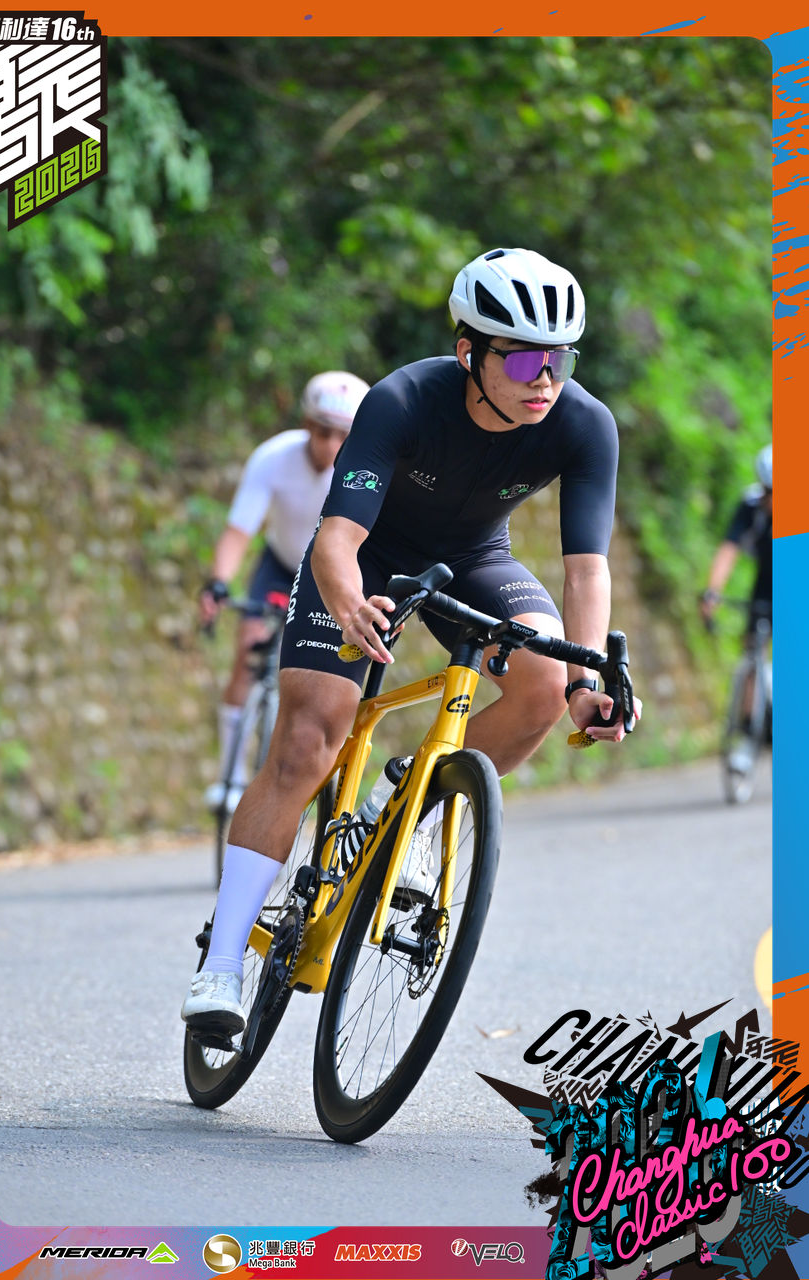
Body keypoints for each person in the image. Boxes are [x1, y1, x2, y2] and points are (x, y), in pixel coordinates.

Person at [182, 246, 642, 1036]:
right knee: (308, 737)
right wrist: (348, 604)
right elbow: (335, 538)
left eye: (559, 359)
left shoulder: (582, 423)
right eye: (523, 358)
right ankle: (221, 964)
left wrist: (585, 681)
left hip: (475, 560)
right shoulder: (402, 399)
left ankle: (413, 804)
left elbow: (585, 569)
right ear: (468, 352)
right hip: (366, 557)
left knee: (542, 683)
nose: (544, 378)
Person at [199, 371, 370, 811]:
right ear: (307, 424)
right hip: (279, 564)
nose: (331, 445)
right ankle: (230, 777)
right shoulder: (274, 458)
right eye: (323, 432)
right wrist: (219, 582)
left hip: (332, 574)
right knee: (249, 650)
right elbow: (239, 531)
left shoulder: (365, 469)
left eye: (343, 436)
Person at [699, 443, 772, 773]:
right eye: (769, 491)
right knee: (752, 652)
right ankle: (746, 733)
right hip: (766, 582)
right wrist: (712, 592)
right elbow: (729, 550)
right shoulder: (751, 506)